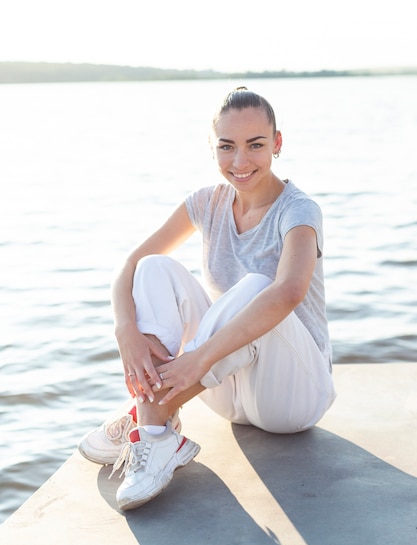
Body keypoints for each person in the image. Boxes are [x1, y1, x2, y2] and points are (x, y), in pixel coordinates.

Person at [78, 87, 336, 511]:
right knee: (152, 267)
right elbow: (129, 264)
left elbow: (289, 291)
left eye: (255, 145)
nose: (240, 162)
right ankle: (158, 430)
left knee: (257, 287)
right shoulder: (206, 202)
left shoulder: (298, 210)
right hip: (228, 394)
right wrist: (125, 329)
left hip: (293, 398)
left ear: (277, 143)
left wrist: (198, 358)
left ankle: (147, 421)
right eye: (226, 147)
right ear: (212, 147)